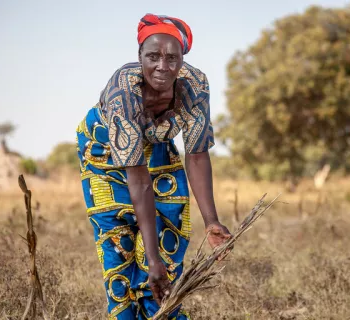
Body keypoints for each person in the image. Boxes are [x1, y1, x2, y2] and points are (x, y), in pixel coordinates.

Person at [76, 13, 232, 319]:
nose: (163, 66)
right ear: (139, 57)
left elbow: (197, 154)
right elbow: (139, 180)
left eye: (172, 58)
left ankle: (161, 311)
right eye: (153, 56)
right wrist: (152, 259)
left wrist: (211, 221)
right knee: (118, 242)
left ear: (182, 60)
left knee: (169, 226)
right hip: (104, 154)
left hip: (157, 146)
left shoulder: (195, 87)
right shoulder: (124, 92)